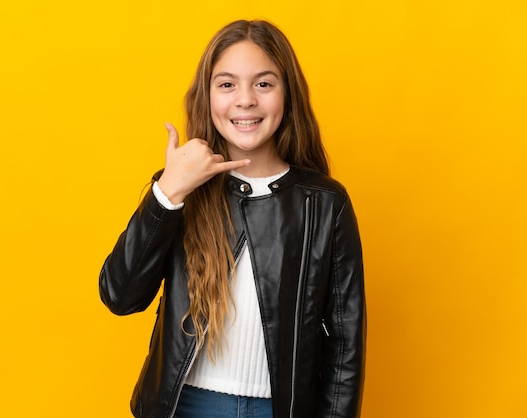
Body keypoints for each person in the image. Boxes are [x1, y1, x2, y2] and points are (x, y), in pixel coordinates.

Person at [99, 19, 366, 418]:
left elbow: (346, 345)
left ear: (287, 95)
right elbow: (120, 296)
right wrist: (169, 191)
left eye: (263, 83)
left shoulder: (324, 203)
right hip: (185, 405)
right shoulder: (178, 187)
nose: (245, 100)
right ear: (207, 97)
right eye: (227, 84)